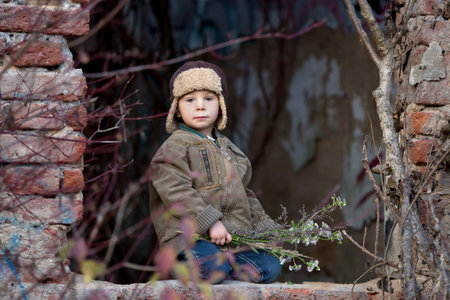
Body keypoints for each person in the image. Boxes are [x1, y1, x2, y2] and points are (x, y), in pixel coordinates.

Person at [149, 60, 281, 284]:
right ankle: (186, 267)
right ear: (177, 109)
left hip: (231, 241)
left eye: (208, 99)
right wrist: (210, 222)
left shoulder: (229, 149)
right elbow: (176, 191)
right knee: (211, 265)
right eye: (190, 100)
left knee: (270, 266)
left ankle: (225, 267)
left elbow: (244, 192)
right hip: (188, 240)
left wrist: (264, 226)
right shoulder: (175, 147)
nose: (200, 106)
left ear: (220, 105)